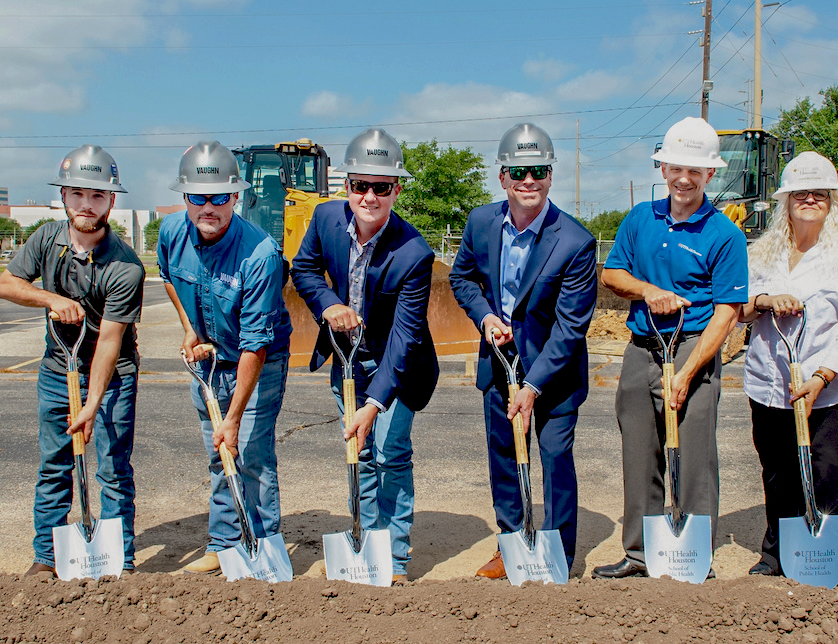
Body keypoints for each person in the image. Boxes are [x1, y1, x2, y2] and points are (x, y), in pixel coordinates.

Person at [592, 117, 748, 579]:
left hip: (693, 347)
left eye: (695, 171)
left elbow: (727, 313)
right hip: (642, 346)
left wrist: (688, 371)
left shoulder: (725, 234)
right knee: (640, 452)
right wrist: (647, 291)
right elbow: (612, 275)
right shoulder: (640, 218)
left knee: (695, 454)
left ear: (709, 176)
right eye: (676, 167)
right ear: (663, 168)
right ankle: (640, 553)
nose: (684, 178)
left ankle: (694, 553)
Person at [449, 123, 597, 579]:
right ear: (503, 177)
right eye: (518, 171)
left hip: (554, 371)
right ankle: (510, 544)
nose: (528, 181)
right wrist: (485, 316)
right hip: (497, 364)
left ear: (550, 175)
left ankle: (557, 555)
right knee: (504, 457)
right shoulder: (481, 222)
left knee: (553, 458)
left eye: (538, 171)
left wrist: (532, 386)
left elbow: (571, 327)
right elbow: (463, 278)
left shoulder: (575, 241)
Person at [291, 128, 438, 585]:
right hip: (346, 359)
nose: (369, 196)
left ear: (397, 189)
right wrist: (328, 304)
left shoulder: (414, 253)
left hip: (398, 365)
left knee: (389, 451)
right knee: (361, 452)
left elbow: (405, 336)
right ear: (347, 185)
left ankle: (393, 559)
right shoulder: (323, 220)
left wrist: (374, 404)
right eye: (360, 185)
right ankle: (366, 542)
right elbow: (304, 269)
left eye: (381, 187)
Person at [0, 145, 144, 575]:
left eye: (97, 196)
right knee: (54, 465)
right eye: (77, 193)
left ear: (111, 202)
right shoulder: (47, 237)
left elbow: (110, 343)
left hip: (112, 374)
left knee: (114, 469)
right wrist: (50, 298)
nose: (86, 204)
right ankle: (46, 557)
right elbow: (7, 284)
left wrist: (93, 403)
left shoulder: (126, 267)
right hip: (56, 370)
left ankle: (121, 559)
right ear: (63, 196)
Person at [738, 152, 838, 576]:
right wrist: (765, 300)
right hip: (769, 383)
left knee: (830, 472)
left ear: (832, 201)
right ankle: (777, 554)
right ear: (787, 200)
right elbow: (738, 308)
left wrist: (823, 375)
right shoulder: (763, 253)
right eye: (801, 192)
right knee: (778, 472)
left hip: (832, 390)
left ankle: (827, 558)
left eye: (819, 193)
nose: (810, 199)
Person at [158, 140, 293, 574]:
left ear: (236, 196)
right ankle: (223, 543)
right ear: (185, 198)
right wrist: (189, 328)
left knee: (249, 451)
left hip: (260, 358)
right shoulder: (171, 233)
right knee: (218, 452)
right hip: (209, 357)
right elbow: (168, 279)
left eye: (219, 197)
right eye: (198, 197)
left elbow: (256, 342)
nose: (208, 207)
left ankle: (264, 546)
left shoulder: (261, 254)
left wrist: (233, 417)